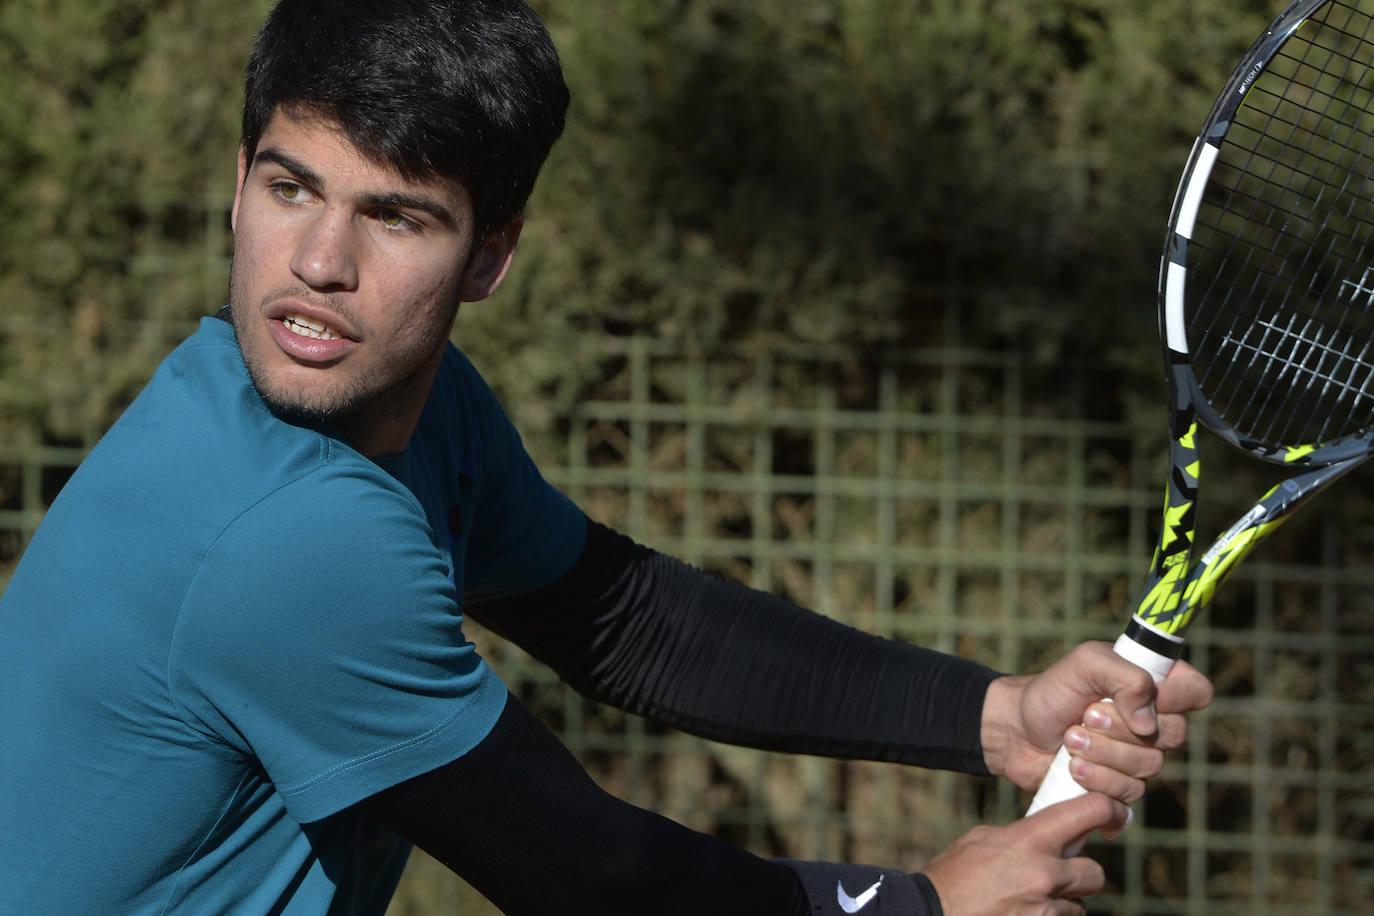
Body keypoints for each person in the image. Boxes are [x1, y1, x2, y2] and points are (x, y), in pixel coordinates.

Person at [0, 1, 1213, 913]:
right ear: (237, 188)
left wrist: (987, 714)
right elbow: (582, 877)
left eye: (395, 215)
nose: (319, 262)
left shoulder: (410, 417)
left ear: (489, 258)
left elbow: (621, 615)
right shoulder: (285, 533)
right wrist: (922, 902)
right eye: (289, 186)